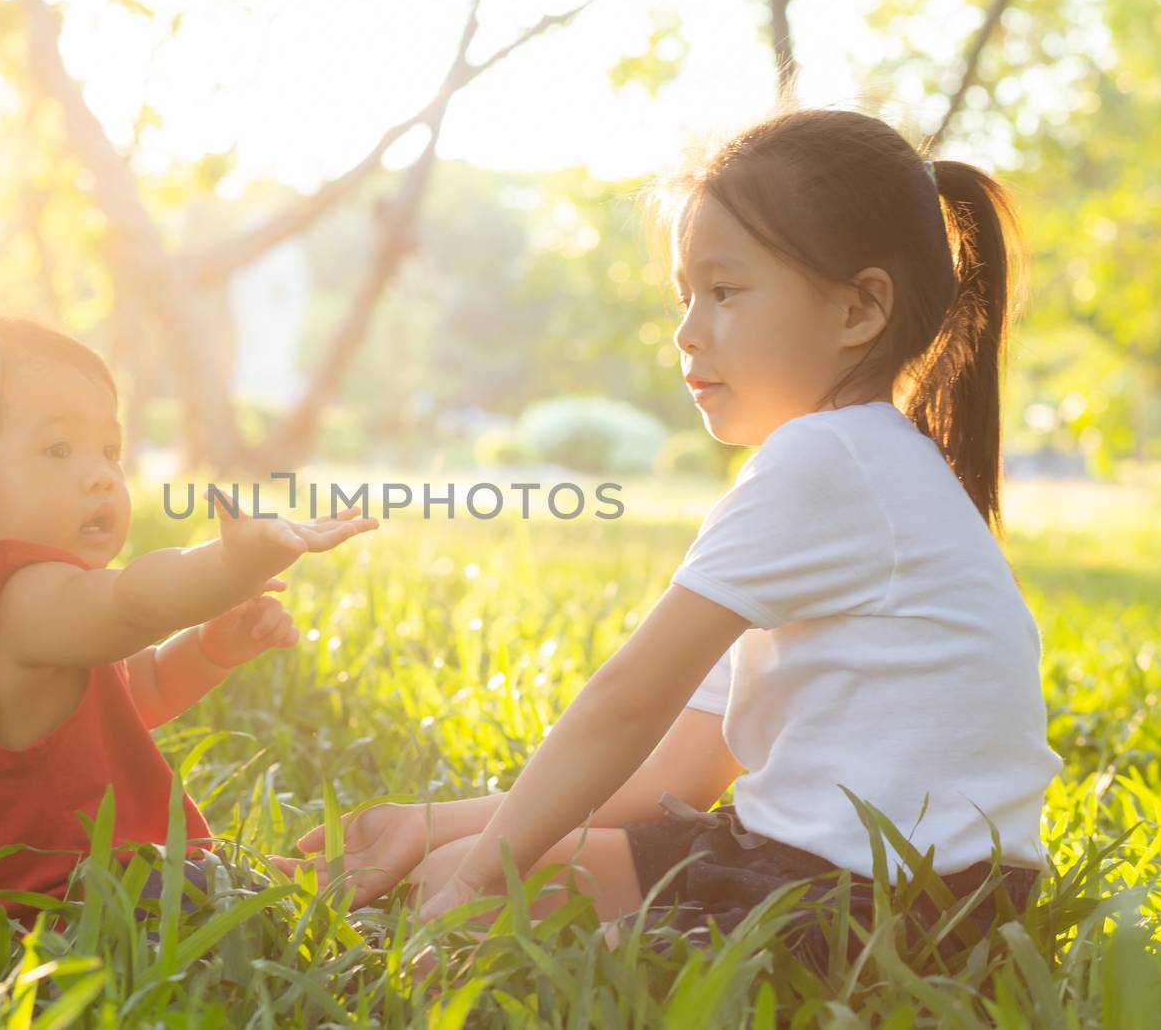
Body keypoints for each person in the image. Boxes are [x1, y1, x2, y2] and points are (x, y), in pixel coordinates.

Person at [274, 108, 1062, 961]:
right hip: (852, 878)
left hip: (882, 912)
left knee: (507, 938)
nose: (687, 330)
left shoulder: (825, 459)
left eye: (724, 292)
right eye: (686, 293)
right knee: (461, 869)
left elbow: (627, 701)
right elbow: (677, 773)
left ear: (859, 309)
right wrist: (434, 830)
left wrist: (473, 884)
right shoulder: (858, 465)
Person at [0, 314, 377, 926]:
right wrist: (232, 564)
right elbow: (134, 601)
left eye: (110, 450)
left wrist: (209, 650)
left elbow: (138, 692)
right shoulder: (18, 593)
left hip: (5, 907)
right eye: (58, 449)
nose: (101, 475)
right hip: (74, 901)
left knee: (266, 883)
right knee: (288, 892)